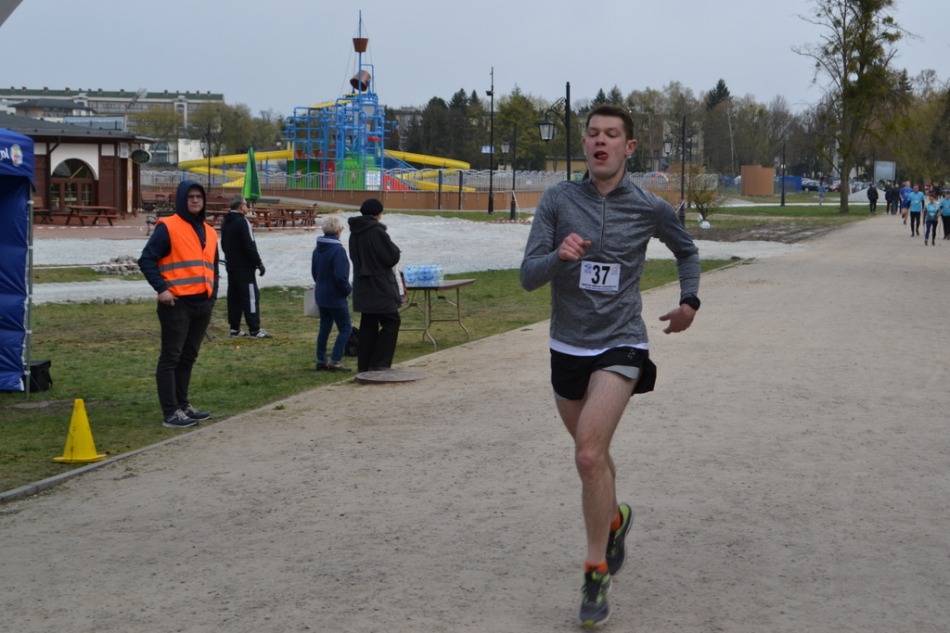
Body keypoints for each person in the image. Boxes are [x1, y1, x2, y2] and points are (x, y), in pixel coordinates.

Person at [520, 104, 701, 628]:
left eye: (612, 134)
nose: (601, 141)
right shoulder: (558, 200)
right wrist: (559, 256)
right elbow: (528, 276)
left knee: (586, 454)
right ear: (585, 145)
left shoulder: (649, 206)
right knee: (595, 458)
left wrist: (689, 302)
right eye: (594, 134)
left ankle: (595, 570)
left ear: (629, 147)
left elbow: (687, 251)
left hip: (621, 342)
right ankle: (616, 520)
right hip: (567, 346)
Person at [138, 180, 219, 428]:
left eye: (199, 197)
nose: (195, 200)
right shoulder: (169, 227)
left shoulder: (210, 231)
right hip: (177, 304)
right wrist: (161, 289)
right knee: (171, 358)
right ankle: (171, 412)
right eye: (190, 196)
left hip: (202, 304)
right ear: (182, 199)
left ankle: (183, 405)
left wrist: (212, 296)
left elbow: (213, 267)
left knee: (188, 357)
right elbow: (146, 259)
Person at [347, 198, 402, 372]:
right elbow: (390, 257)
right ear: (378, 214)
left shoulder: (355, 232)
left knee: (368, 324)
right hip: (379, 284)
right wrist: (396, 252)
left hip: (363, 284)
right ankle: (379, 363)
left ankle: (365, 365)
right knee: (392, 321)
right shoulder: (376, 231)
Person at [220, 194, 271, 338]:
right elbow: (250, 245)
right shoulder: (243, 222)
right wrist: (259, 263)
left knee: (234, 297)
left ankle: (234, 328)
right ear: (241, 206)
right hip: (245, 267)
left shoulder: (225, 222)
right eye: (246, 204)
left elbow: (223, 244)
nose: (247, 207)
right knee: (251, 297)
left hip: (231, 264)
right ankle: (255, 329)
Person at [312, 214, 353, 371]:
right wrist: (347, 290)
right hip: (335, 295)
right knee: (345, 328)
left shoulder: (318, 249)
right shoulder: (338, 250)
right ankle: (335, 360)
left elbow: (314, 272)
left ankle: (321, 359)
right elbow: (341, 276)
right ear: (338, 231)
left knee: (325, 326)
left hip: (321, 292)